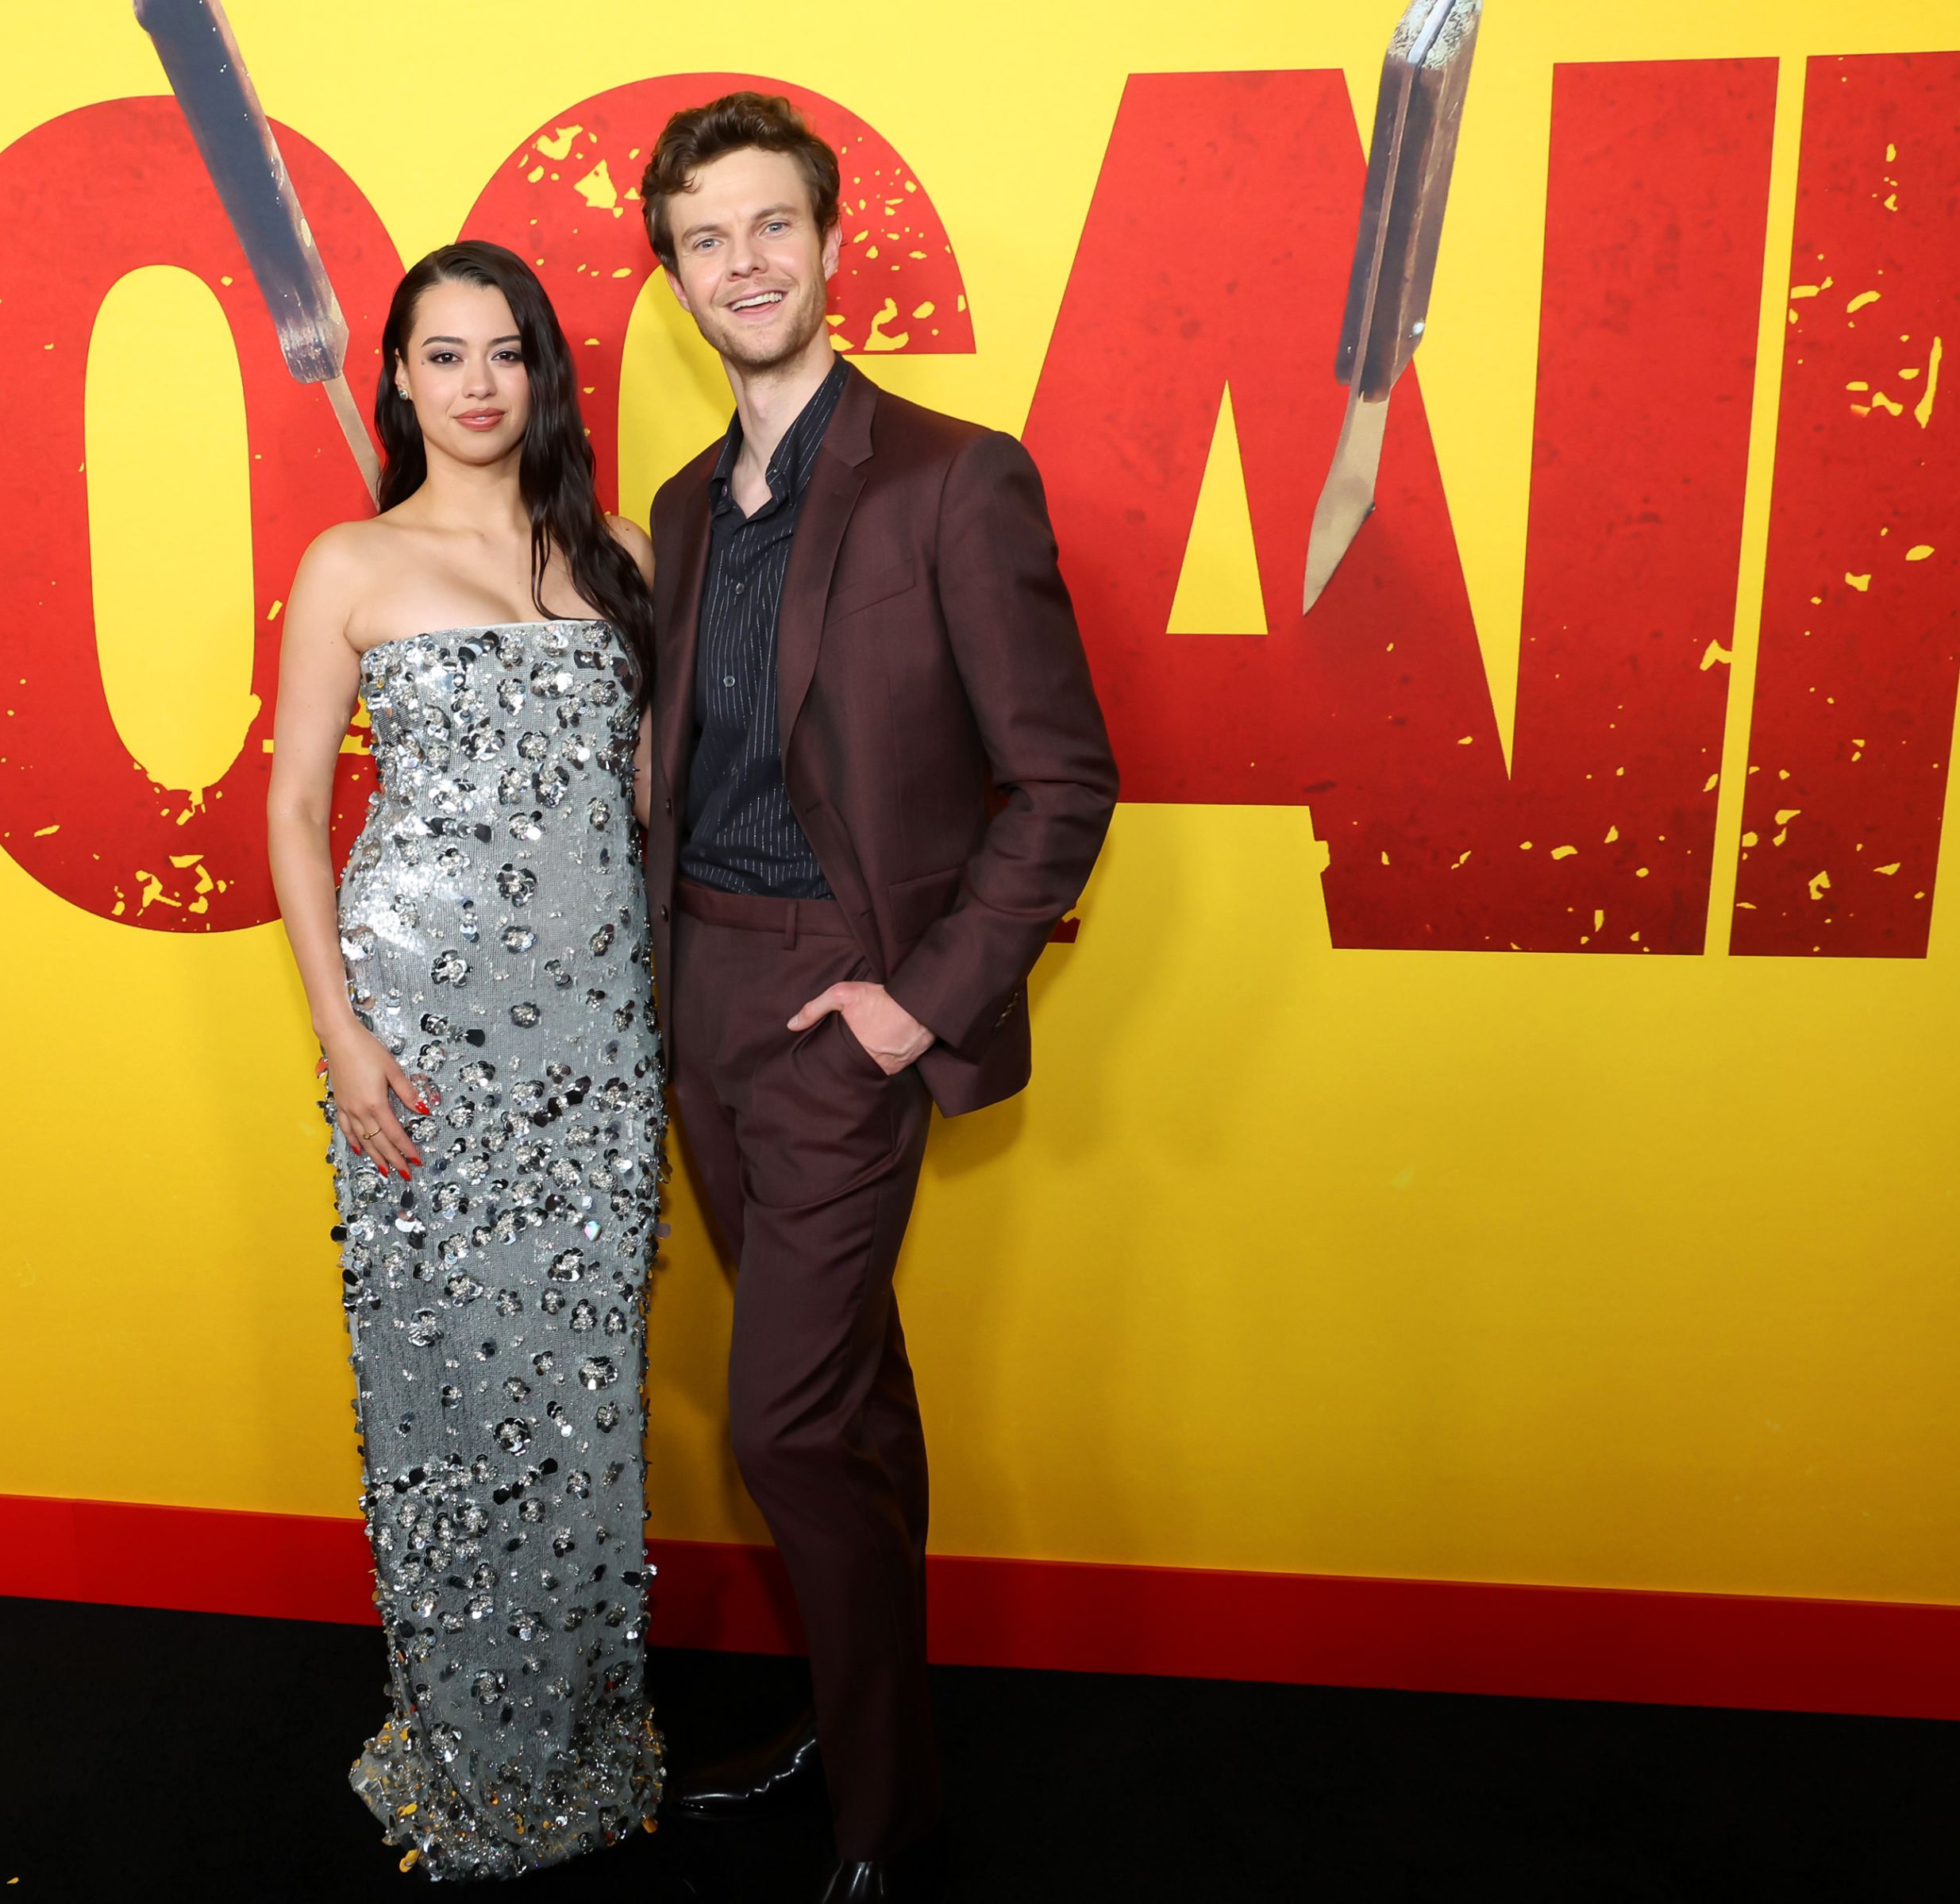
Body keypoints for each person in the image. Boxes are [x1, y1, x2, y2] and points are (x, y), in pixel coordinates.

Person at [636, 94, 1119, 1902]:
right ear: (675, 276)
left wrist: (913, 1004)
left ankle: (882, 1827)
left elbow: (1063, 780)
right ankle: (864, 1738)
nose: (744, 263)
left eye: (773, 226)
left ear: (833, 247)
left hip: (843, 1004)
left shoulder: (950, 478)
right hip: (699, 998)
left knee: (778, 1420)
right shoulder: (683, 510)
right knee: (847, 1405)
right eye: (706, 239)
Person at [265, 240, 664, 1881]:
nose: (480, 383)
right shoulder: (351, 560)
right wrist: (342, 1033)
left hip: (599, 1036)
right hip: (417, 1036)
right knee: (443, 1393)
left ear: (542, 372)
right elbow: (297, 806)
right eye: (445, 355)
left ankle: (578, 1736)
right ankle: (466, 1749)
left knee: (584, 1389)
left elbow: (653, 805)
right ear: (400, 379)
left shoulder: (621, 554)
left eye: (506, 352)